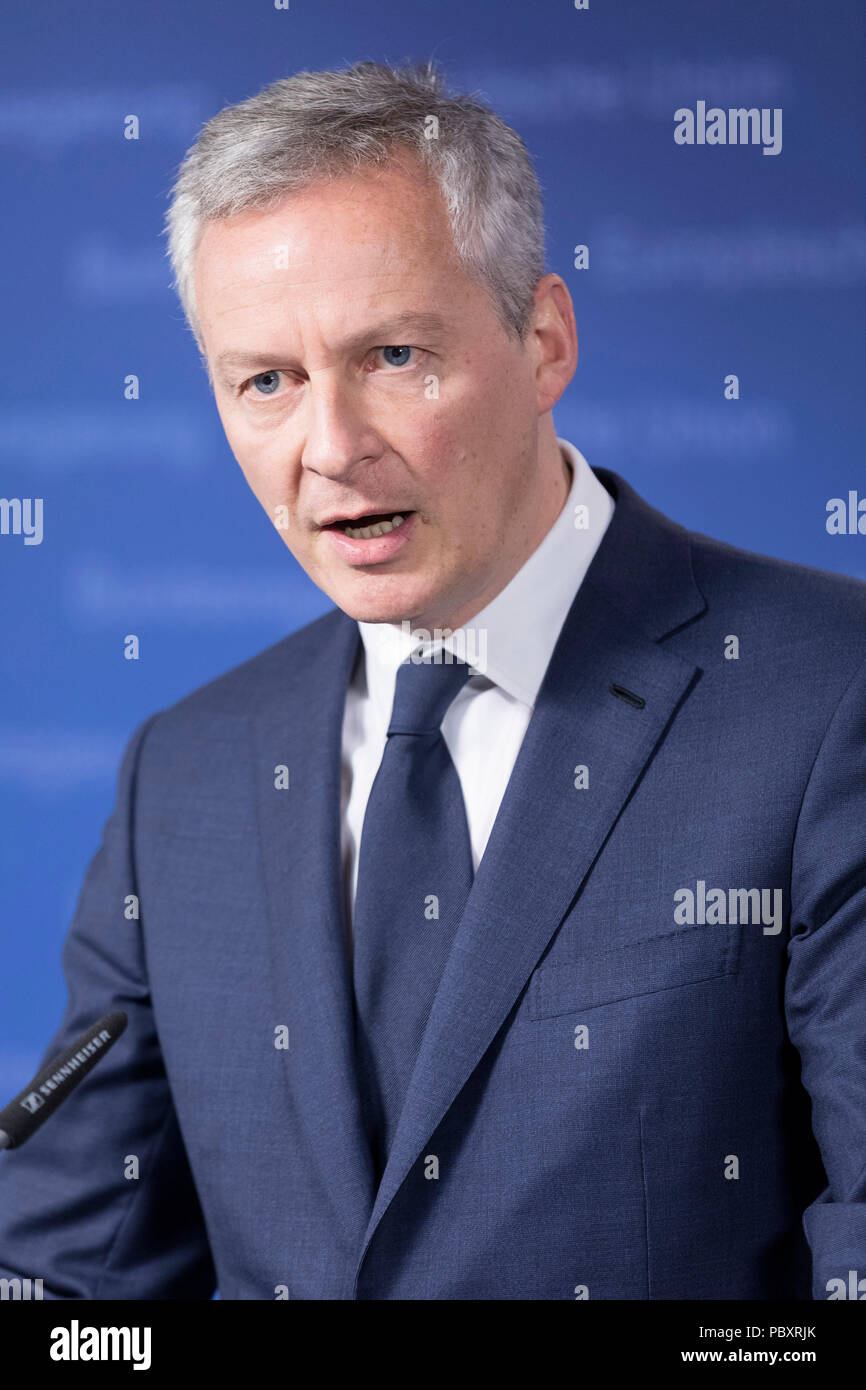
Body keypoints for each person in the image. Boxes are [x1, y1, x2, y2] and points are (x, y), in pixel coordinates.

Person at [1, 60, 864, 1301]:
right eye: (267, 382)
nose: (331, 448)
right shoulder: (181, 776)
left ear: (544, 338)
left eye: (394, 355)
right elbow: (73, 1284)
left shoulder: (826, 697)